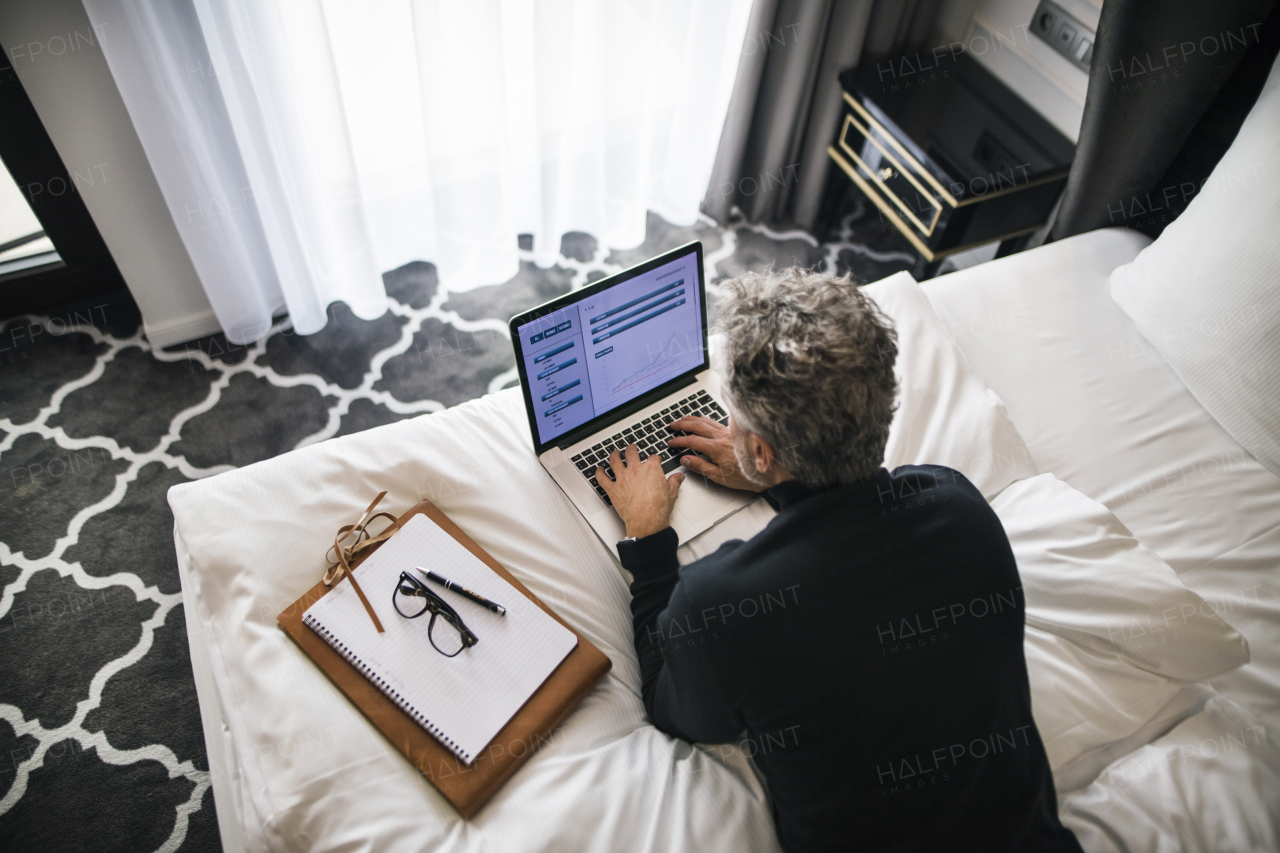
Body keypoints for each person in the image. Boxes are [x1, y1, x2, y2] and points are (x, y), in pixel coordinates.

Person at [596, 269, 1082, 853]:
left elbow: (671, 707)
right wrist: (777, 478)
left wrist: (649, 546)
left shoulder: (721, 603)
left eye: (737, 416)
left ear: (759, 447)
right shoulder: (958, 507)